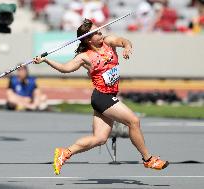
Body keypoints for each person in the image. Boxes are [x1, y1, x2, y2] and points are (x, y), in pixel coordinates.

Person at [33, 19, 169, 175]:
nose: (101, 32)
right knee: (133, 121)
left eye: (100, 30)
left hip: (107, 96)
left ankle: (65, 152)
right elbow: (65, 68)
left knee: (99, 138)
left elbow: (123, 40)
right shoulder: (84, 56)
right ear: (89, 39)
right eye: (96, 32)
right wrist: (46, 60)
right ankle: (148, 159)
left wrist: (127, 46)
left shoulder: (108, 42)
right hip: (102, 97)